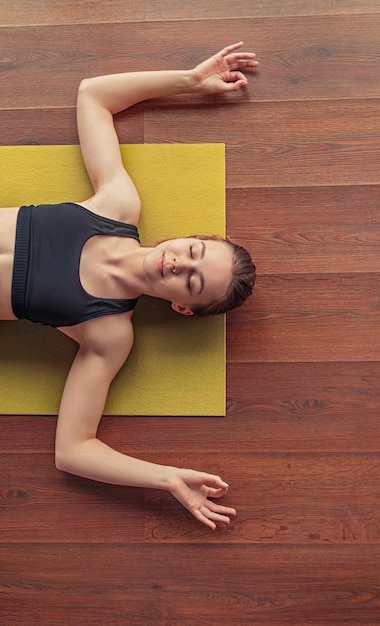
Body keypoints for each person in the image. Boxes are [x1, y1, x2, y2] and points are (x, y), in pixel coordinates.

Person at [0, 42, 258, 529]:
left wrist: (166, 478)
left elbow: (73, 451)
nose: (179, 263)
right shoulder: (116, 205)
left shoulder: (108, 333)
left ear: (183, 308)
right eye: (195, 251)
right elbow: (93, 96)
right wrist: (188, 81)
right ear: (188, 236)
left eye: (193, 282)